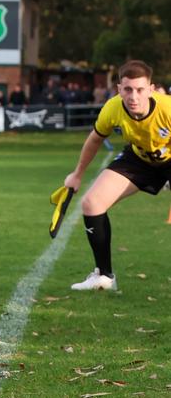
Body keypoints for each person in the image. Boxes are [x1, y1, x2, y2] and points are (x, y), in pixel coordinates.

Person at [63, 60, 171, 290]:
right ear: (119, 89)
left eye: (140, 90)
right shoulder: (113, 108)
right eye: (128, 89)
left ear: (151, 89)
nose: (133, 96)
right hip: (139, 159)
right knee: (92, 203)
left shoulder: (167, 108)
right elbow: (95, 139)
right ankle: (104, 276)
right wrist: (77, 174)